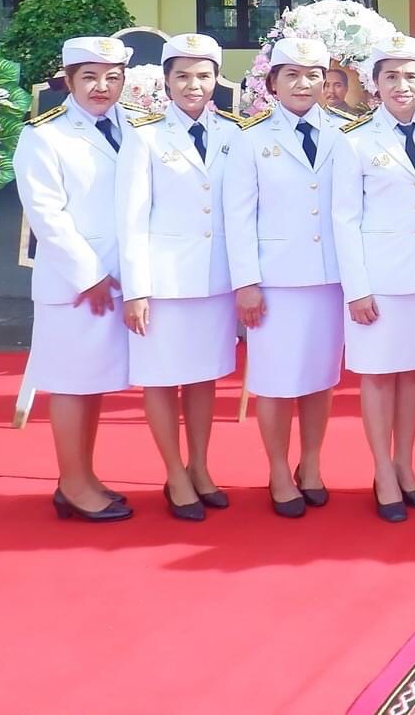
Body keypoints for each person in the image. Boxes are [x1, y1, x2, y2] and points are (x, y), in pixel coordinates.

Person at [115, 33, 243, 521]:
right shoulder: (144, 136)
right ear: (166, 81)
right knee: (161, 379)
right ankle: (174, 472)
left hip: (215, 281)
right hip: (163, 284)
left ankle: (202, 466)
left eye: (204, 75)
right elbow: (131, 217)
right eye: (183, 76)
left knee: (206, 377)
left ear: (217, 79)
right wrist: (136, 289)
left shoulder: (233, 133)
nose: (194, 85)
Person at [226, 36, 354, 518]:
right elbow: (238, 217)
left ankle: (312, 463)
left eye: (313, 75)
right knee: (276, 381)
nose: (304, 84)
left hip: (329, 278)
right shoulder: (251, 138)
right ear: (273, 83)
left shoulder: (345, 133)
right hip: (275, 282)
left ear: (326, 81)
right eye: (292, 75)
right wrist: (246, 282)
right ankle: (279, 469)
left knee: (321, 378)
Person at [16, 35, 137, 523]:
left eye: (112, 77)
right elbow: (47, 215)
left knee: (94, 384)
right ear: (67, 82)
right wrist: (88, 275)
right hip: (74, 284)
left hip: (118, 280)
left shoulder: (133, 127)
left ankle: (83, 478)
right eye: (89, 77)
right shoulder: (44, 136)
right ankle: (71, 482)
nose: (101, 87)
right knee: (70, 383)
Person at [333, 34, 415, 523]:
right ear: (374, 84)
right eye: (391, 77)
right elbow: (344, 219)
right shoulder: (355, 141)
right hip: (378, 281)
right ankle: (382, 470)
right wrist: (357, 288)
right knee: (379, 377)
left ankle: (405, 465)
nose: (401, 85)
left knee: (412, 375)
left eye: (410, 75)